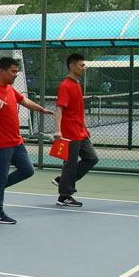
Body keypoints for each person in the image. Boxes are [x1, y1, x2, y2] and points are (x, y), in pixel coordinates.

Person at [0, 57, 53, 224]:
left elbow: (24, 100)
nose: (16, 75)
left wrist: (40, 109)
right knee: (1, 177)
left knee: (27, 170)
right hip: (1, 144)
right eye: (13, 71)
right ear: (2, 71)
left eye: (17, 71)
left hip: (16, 141)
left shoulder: (10, 90)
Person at [52, 54, 98, 207]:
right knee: (70, 164)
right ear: (72, 66)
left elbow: (78, 110)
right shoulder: (65, 86)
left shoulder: (77, 85)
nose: (84, 68)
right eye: (82, 65)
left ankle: (63, 180)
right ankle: (64, 196)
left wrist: (84, 127)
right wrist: (58, 130)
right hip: (69, 132)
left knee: (92, 158)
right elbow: (59, 108)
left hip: (80, 132)